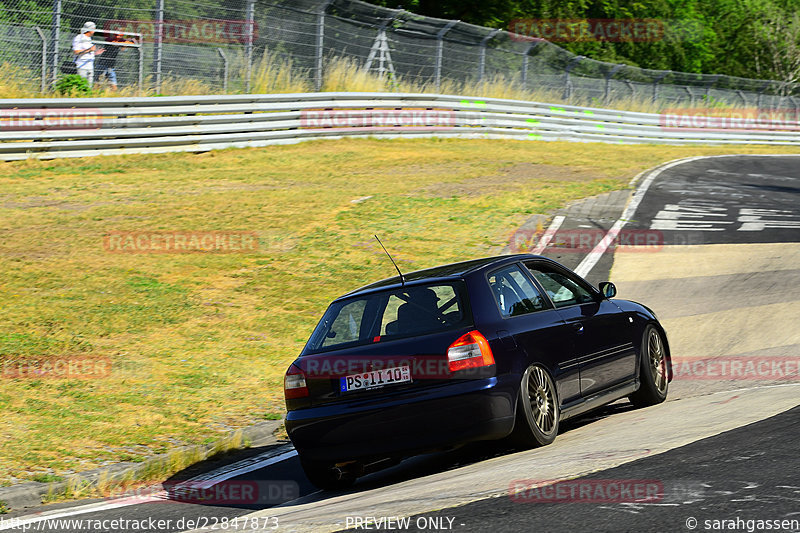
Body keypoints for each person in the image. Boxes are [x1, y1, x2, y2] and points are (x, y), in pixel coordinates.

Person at [72, 21, 104, 88]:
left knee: (88, 87)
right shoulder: (79, 37)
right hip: (81, 66)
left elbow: (87, 52)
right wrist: (90, 50)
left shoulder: (89, 39)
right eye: (94, 29)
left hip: (90, 66)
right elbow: (76, 51)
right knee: (80, 86)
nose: (94, 31)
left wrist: (95, 53)